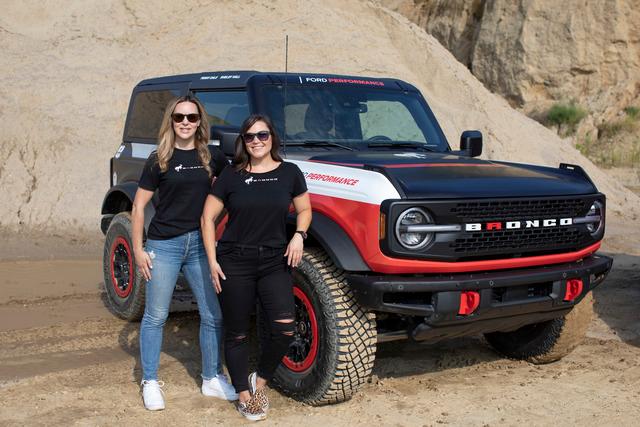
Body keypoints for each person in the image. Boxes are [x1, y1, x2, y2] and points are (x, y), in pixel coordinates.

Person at [201, 114, 312, 421]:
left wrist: (299, 237)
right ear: (243, 142)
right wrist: (212, 261)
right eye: (250, 137)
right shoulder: (231, 175)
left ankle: (259, 381)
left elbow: (304, 209)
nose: (256, 142)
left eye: (262, 135)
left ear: (272, 138)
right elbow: (207, 218)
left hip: (275, 261)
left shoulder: (290, 172)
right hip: (234, 260)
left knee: (285, 329)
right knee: (236, 333)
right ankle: (244, 394)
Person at [132, 95, 237, 411]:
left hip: (199, 246)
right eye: (180, 117)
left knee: (213, 314)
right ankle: (150, 381)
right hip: (164, 246)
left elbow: (239, 182)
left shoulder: (211, 157)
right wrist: (138, 250)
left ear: (200, 121)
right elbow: (138, 206)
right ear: (171, 120)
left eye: (192, 117)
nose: (186, 123)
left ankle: (211, 378)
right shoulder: (159, 159)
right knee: (156, 316)